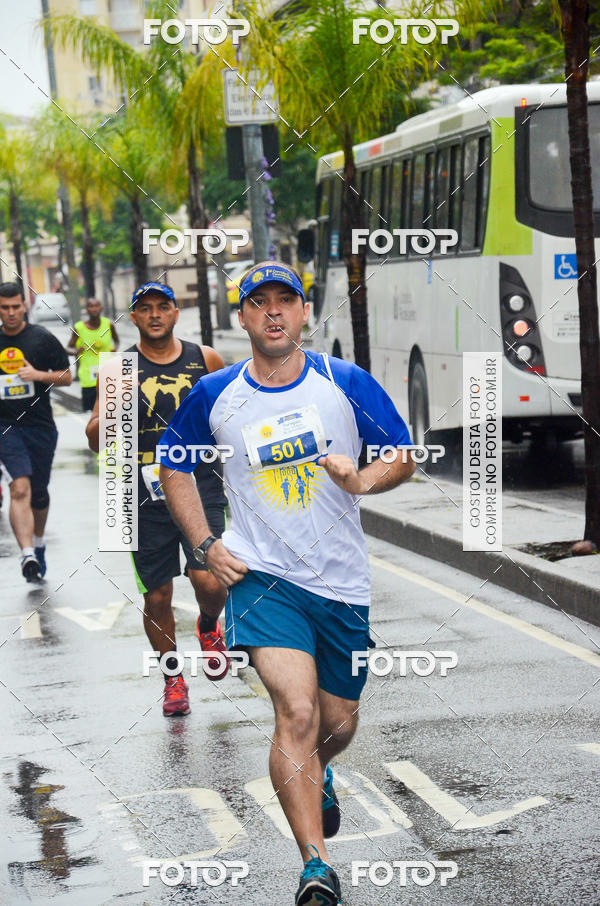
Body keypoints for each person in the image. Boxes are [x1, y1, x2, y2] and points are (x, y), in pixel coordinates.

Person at [157, 262, 416, 905]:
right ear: (242, 317)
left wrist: (361, 480)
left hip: (342, 583)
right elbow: (174, 464)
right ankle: (315, 866)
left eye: (285, 300)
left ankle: (319, 769)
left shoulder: (343, 381)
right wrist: (206, 545)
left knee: (338, 722)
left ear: (303, 312)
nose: (273, 312)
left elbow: (401, 453)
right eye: (259, 302)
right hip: (262, 577)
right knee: (296, 711)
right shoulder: (216, 392)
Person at [86, 282, 229, 717]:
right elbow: (95, 438)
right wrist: (113, 410)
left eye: (162, 307)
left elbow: (230, 418)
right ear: (133, 317)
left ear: (175, 313)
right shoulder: (118, 368)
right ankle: (173, 679)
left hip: (199, 486)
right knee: (158, 597)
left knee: (210, 580)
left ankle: (208, 625)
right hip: (141, 495)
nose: (154, 315)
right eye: (144, 308)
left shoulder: (206, 359)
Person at [0, 281, 72, 581]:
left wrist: (37, 375)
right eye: (4, 308)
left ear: (24, 306)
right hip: (6, 427)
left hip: (40, 426)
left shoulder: (41, 338)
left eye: (15, 306)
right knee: (19, 487)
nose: (11, 312)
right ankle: (27, 553)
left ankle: (38, 544)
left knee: (39, 494)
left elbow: (67, 376)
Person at [67, 298, 119, 411]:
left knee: (111, 413)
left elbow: (116, 340)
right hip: (88, 378)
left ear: (101, 308)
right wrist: (76, 351)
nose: (94, 309)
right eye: (91, 306)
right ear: (86, 310)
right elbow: (68, 348)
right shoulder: (79, 328)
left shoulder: (109, 324)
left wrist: (115, 349)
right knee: (91, 414)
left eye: (97, 306)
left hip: (108, 377)